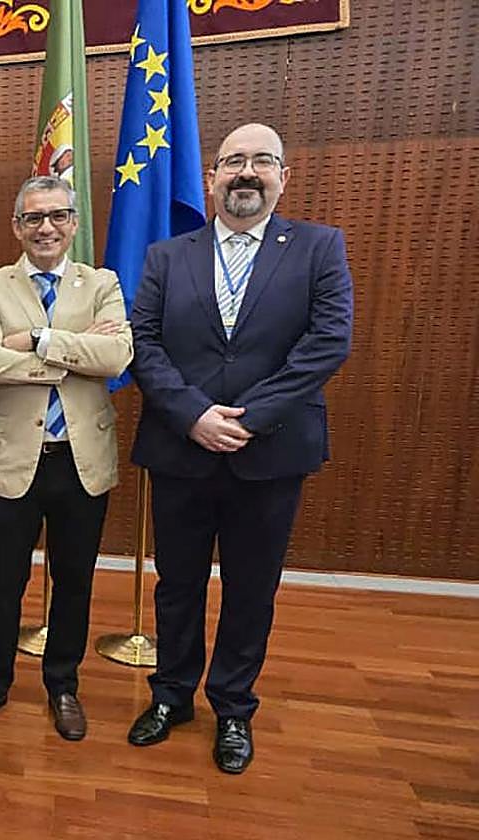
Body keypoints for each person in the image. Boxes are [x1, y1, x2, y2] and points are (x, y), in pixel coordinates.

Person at [126, 123, 353, 773]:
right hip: (181, 448)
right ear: (212, 177)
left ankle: (233, 708)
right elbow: (144, 343)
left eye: (261, 161)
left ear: (284, 176)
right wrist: (195, 413)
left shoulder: (318, 247)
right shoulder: (169, 256)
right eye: (233, 162)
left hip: (271, 451)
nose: (246, 173)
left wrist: (248, 419)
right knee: (178, 586)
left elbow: (327, 343)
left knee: (251, 588)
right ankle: (171, 696)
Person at [0, 175, 132, 740]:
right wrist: (76, 346)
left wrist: (36, 339)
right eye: (34, 218)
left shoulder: (102, 282)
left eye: (58, 216)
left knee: (74, 578)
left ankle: (63, 685)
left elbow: (117, 356)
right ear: (17, 227)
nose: (46, 227)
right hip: (13, 460)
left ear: (74, 223)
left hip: (80, 459)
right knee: (1, 579)